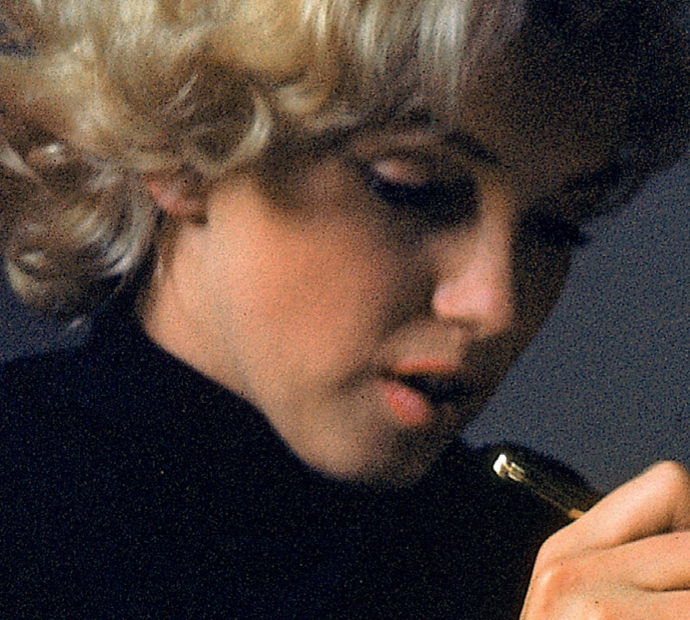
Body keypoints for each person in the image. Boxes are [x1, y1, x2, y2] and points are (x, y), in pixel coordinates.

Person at [0, 0, 689, 618]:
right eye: (413, 186)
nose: (495, 306)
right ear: (183, 143)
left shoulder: (553, 562)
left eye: (560, 225)